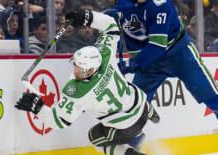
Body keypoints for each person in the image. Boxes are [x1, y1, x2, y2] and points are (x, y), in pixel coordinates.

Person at [107, 0, 218, 155]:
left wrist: (131, 64)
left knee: (215, 101)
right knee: (135, 107)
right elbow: (117, 18)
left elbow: (157, 45)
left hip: (178, 55)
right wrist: (95, 18)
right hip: (150, 63)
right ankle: (135, 141)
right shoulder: (124, 1)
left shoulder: (160, 3)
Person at [15, 10, 159, 155]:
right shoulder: (105, 54)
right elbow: (111, 26)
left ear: (90, 71)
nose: (75, 69)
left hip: (124, 126)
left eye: (80, 68)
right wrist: (87, 17)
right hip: (143, 108)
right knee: (132, 95)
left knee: (94, 137)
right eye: (76, 65)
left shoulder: (77, 92)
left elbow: (59, 121)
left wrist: (38, 107)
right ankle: (153, 116)